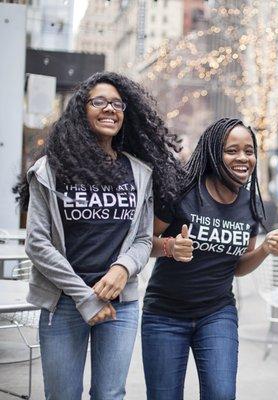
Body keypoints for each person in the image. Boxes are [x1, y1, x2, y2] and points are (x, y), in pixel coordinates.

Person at [15, 71, 183, 399]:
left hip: (120, 305)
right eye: (99, 102)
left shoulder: (139, 172)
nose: (110, 109)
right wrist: (84, 296)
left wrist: (122, 270)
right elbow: (36, 242)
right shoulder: (50, 169)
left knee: (110, 395)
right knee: (62, 395)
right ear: (82, 110)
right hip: (63, 302)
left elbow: (143, 238)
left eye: (118, 104)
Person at [142, 117, 278, 400]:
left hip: (216, 313)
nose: (243, 158)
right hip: (164, 314)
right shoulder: (182, 192)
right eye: (232, 150)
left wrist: (264, 250)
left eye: (249, 151)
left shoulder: (251, 204)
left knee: (221, 394)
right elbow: (142, 242)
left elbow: (238, 267)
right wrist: (170, 247)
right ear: (213, 152)